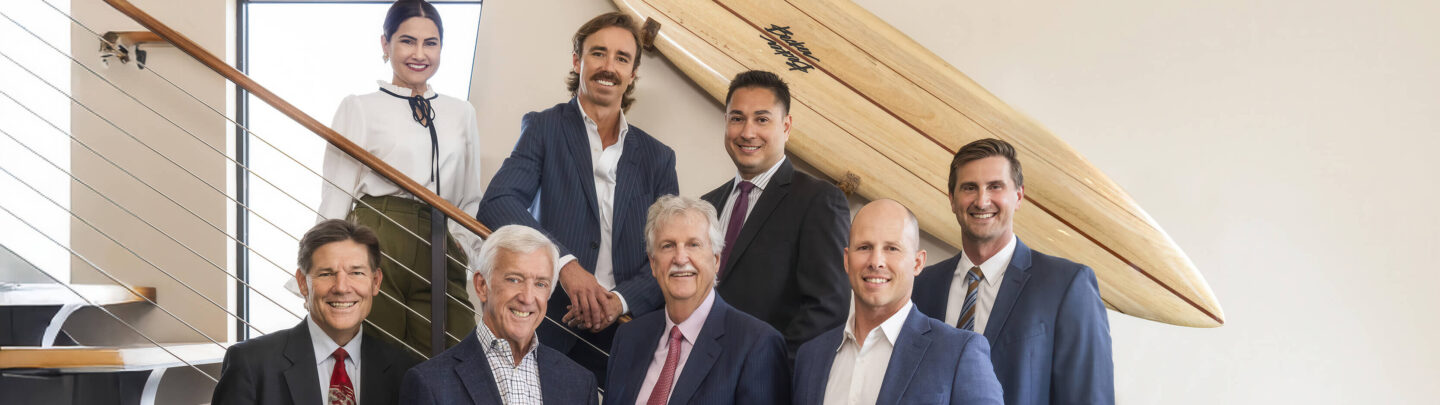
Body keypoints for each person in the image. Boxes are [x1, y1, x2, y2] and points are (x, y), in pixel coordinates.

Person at [476, 11, 678, 384]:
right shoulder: (544, 127)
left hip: (627, 330)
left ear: (633, 73)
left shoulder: (658, 157)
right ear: (577, 61)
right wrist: (565, 266)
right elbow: (497, 201)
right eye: (598, 53)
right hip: (548, 317)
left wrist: (619, 300)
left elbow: (669, 254)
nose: (609, 66)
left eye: (622, 58)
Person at [316, 0, 481, 355]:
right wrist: (320, 268)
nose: (419, 53)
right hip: (379, 232)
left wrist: (466, 251)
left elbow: (469, 198)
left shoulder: (461, 113)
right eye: (407, 41)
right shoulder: (359, 106)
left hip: (441, 237)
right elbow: (336, 194)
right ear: (385, 45)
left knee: (457, 357)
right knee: (381, 357)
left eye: (431, 43)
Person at [912, 138, 1114, 404]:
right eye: (970, 188)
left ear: (1018, 196)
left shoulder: (1066, 286)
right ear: (952, 199)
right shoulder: (921, 286)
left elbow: (1089, 398)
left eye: (995, 187)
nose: (982, 201)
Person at [698, 70, 850, 361]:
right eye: (737, 118)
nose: (747, 132)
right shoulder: (707, 205)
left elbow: (828, 308)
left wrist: (768, 370)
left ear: (786, 126)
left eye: (762, 119)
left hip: (763, 381)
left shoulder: (819, 200)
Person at [792, 200, 1002, 405]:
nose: (876, 262)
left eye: (892, 248)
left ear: (917, 262)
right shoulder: (811, 356)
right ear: (847, 260)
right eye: (864, 247)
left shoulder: (958, 353)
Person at [604, 195, 789, 405]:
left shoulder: (757, 345)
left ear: (716, 260)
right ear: (653, 264)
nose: (681, 258)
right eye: (668, 246)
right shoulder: (628, 338)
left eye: (693, 244)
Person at [213, 219, 421, 405]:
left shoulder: (403, 370)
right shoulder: (251, 364)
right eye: (326, 273)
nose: (341, 287)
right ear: (303, 283)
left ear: (375, 282)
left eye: (356, 273)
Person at [400, 225, 599, 404]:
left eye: (540, 284)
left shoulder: (580, 383)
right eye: (514, 280)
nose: (528, 298)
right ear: (482, 285)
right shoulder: (429, 383)